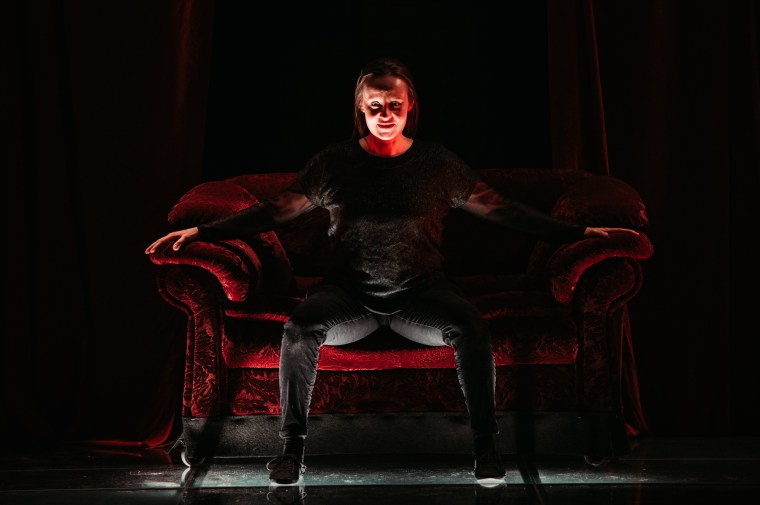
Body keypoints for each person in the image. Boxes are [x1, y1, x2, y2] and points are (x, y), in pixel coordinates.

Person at [145, 56, 639, 486]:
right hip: (349, 298)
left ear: (410, 106)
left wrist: (579, 232)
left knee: (470, 327)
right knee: (299, 329)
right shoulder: (334, 164)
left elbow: (504, 211)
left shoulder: (437, 164)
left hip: (420, 295)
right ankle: (291, 450)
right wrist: (202, 232)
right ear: (361, 109)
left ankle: (485, 448)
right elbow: (275, 211)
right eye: (375, 106)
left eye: (394, 105)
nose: (385, 115)